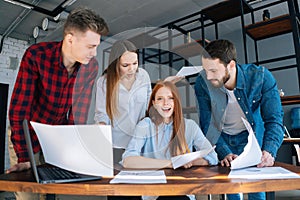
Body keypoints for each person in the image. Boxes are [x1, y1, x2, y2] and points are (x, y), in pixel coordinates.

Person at [7, 7, 108, 200]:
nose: (95, 53)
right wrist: (24, 157)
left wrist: (69, 151)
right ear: (70, 39)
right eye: (90, 46)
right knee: (29, 195)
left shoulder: (90, 68)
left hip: (55, 137)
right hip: (26, 133)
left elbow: (77, 114)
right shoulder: (36, 55)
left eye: (96, 46)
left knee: (54, 192)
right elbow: (19, 112)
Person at [194, 39, 284, 200]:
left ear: (231, 65)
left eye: (214, 71)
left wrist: (269, 150)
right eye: (205, 70)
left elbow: (274, 119)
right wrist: (224, 151)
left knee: (257, 190)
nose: (208, 76)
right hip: (223, 140)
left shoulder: (261, 77)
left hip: (252, 140)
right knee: (231, 191)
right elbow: (207, 123)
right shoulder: (202, 83)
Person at [122, 80, 218, 200]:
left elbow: (213, 157)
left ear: (176, 101)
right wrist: (171, 164)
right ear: (154, 103)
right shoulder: (145, 125)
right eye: (160, 99)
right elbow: (128, 160)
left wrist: (189, 162)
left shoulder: (190, 126)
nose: (165, 103)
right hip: (154, 193)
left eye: (170, 98)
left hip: (181, 192)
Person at [94, 39, 152, 163]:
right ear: (116, 64)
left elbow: (149, 105)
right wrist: (100, 130)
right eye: (125, 65)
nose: (132, 69)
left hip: (140, 143)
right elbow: (102, 114)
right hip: (117, 145)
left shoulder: (143, 76)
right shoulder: (104, 82)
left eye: (135, 63)